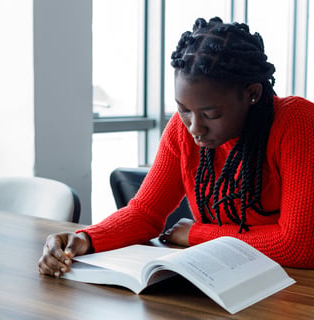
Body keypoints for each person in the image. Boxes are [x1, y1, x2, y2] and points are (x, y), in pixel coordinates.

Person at [38, 17, 314, 277]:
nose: (195, 127)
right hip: (226, 280)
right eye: (183, 110)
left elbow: (299, 245)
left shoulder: (297, 122)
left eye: (211, 114)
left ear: (252, 94)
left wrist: (195, 234)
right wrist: (86, 238)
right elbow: (145, 213)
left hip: (294, 289)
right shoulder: (182, 130)